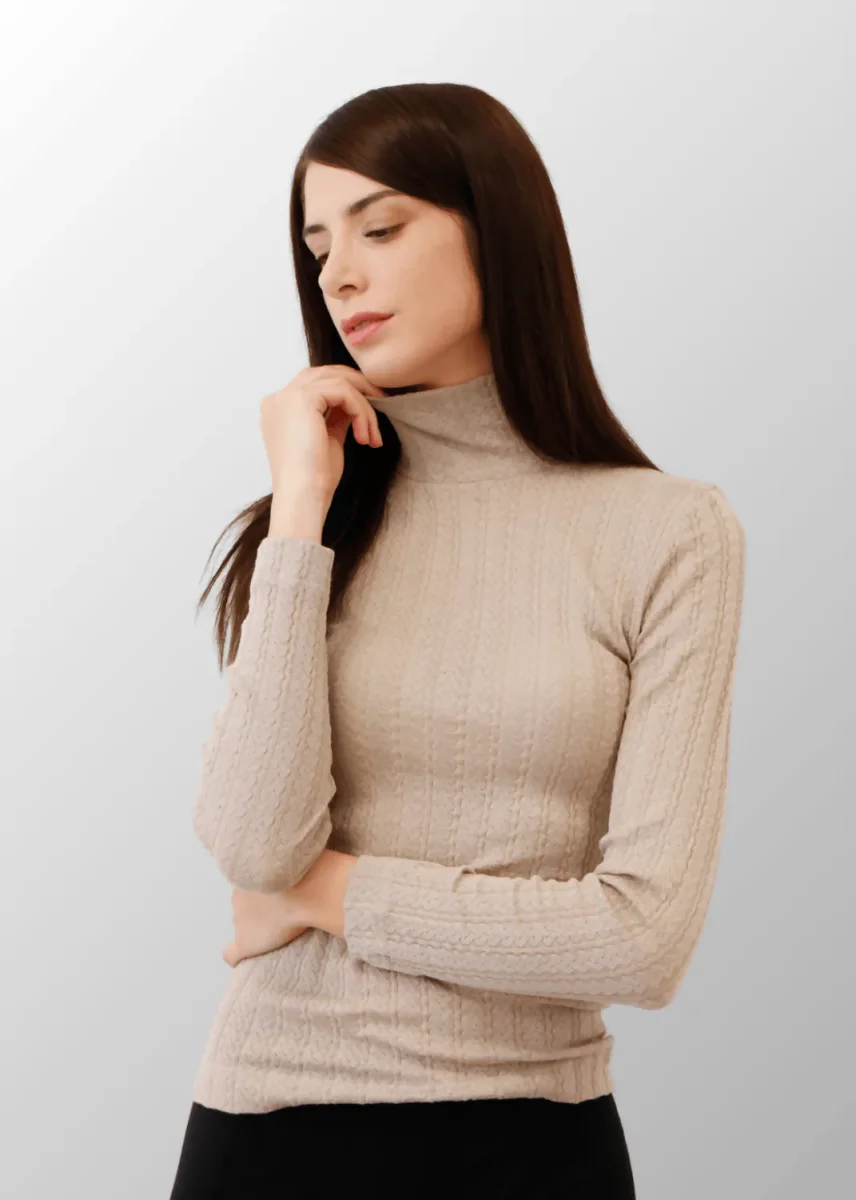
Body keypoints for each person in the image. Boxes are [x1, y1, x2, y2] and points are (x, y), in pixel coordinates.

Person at [169, 82, 746, 1199]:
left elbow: (642, 940)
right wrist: (299, 506)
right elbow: (252, 846)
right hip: (268, 1129)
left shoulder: (669, 533)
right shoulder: (308, 529)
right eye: (318, 248)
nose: (338, 275)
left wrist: (327, 896)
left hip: (533, 1140)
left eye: (381, 228)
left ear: (499, 230)